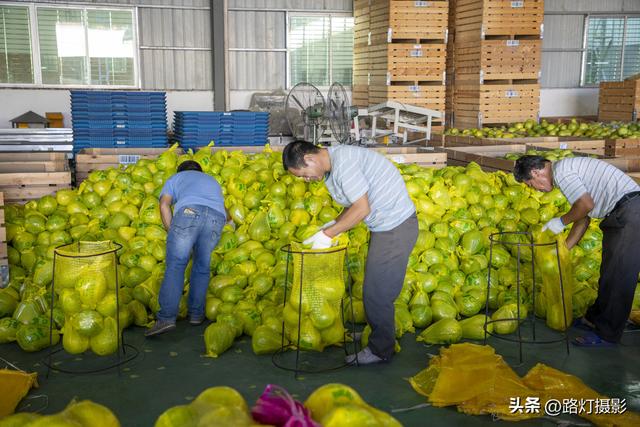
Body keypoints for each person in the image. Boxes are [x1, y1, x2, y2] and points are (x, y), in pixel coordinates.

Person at [282, 140, 418, 364]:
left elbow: (362, 209)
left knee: (377, 292)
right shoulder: (332, 169)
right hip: (386, 227)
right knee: (374, 287)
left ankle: (380, 350)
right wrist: (330, 225)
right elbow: (354, 202)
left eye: (303, 175)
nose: (305, 180)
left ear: (309, 159)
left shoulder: (344, 164)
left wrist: (328, 235)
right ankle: (376, 334)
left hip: (395, 227)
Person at [513, 155, 640, 347]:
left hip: (630, 212)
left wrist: (561, 221)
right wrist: (563, 250)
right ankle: (595, 318)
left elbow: (585, 206)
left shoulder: (563, 172)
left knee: (619, 276)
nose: (535, 190)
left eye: (531, 184)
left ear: (536, 173)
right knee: (609, 273)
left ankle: (607, 335)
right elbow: (583, 218)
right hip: (624, 212)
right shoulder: (563, 172)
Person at [145, 160, 226, 337]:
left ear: (180, 171)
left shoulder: (176, 178)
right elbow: (225, 213)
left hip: (189, 212)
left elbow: (164, 204)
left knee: (176, 264)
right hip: (216, 218)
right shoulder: (211, 180)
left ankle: (166, 318)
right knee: (202, 266)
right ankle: (196, 315)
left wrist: (172, 231)